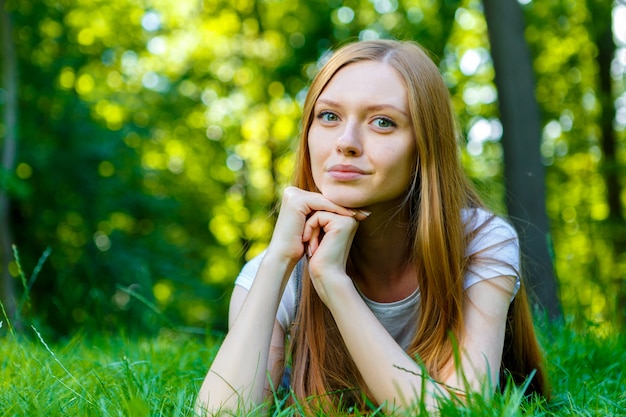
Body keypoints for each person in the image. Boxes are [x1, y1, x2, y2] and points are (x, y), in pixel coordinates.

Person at [196, 39, 549, 415]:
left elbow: (459, 411)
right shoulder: (277, 276)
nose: (346, 142)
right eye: (329, 117)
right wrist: (278, 261)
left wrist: (334, 283)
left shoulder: (479, 244)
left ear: (425, 147)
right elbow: (220, 413)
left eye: (383, 122)